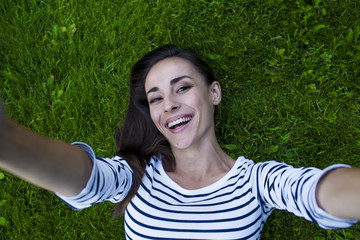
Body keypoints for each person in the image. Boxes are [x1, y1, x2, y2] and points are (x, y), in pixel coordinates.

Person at [0, 44, 359, 239]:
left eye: (182, 88)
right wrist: (7, 140)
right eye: (155, 98)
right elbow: (87, 179)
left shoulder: (257, 182)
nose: (169, 104)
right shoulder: (135, 174)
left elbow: (314, 192)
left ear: (214, 92)